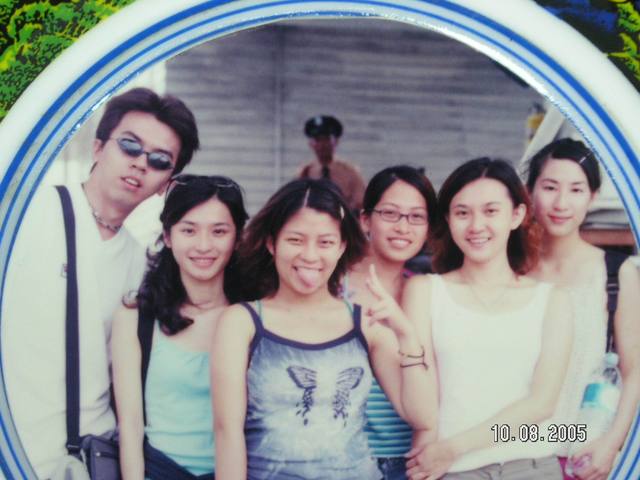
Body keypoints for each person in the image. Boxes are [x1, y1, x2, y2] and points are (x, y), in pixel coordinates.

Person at [1, 87, 199, 478]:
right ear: (97, 147)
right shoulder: (25, 215)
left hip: (89, 460)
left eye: (159, 160)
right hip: (14, 451)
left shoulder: (144, 266)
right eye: (129, 145)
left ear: (166, 183)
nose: (140, 163)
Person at [212, 178, 437, 480]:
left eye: (325, 242)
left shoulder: (364, 323)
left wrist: (406, 334)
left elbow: (422, 416)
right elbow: (227, 431)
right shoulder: (241, 322)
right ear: (271, 243)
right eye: (295, 240)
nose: (310, 255)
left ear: (341, 247)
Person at [405, 158, 573, 479]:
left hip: (532, 466)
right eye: (462, 213)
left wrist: (453, 447)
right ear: (448, 219)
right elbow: (422, 401)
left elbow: (542, 404)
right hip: (453, 472)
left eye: (491, 211)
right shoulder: (424, 291)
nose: (476, 226)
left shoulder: (553, 300)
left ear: (517, 215)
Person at [112, 175, 248, 479]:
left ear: (237, 238)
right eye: (189, 230)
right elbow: (130, 426)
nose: (204, 246)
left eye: (219, 231)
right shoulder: (135, 318)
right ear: (168, 236)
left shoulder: (254, 317)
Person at [525, 138, 640, 480]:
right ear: (529, 192)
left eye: (576, 190)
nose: (561, 203)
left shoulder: (616, 273)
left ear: (592, 196)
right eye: (550, 187)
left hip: (586, 455)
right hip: (516, 452)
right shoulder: (510, 270)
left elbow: (635, 369)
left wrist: (612, 443)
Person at [343, 165, 437, 480]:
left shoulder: (425, 292)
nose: (403, 227)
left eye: (416, 217)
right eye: (390, 214)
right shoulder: (334, 286)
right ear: (365, 220)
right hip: (347, 460)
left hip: (410, 460)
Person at [297, 115, 366, 211]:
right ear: (311, 144)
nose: (322, 145)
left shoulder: (350, 172)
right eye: (318, 140)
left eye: (327, 139)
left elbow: (360, 203)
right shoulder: (305, 172)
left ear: (336, 141)